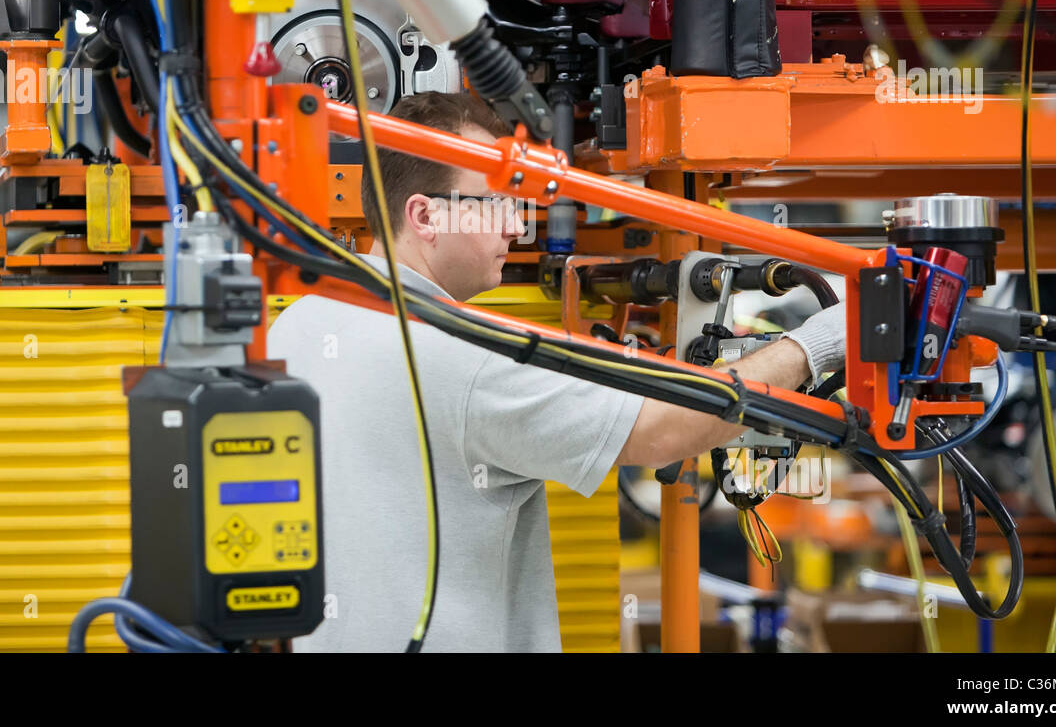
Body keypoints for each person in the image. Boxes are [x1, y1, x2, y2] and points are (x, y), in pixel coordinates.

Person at [266, 91, 845, 651]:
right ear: (425, 216)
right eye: (493, 203)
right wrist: (818, 343)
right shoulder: (460, 354)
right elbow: (665, 432)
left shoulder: (297, 326)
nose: (517, 229)